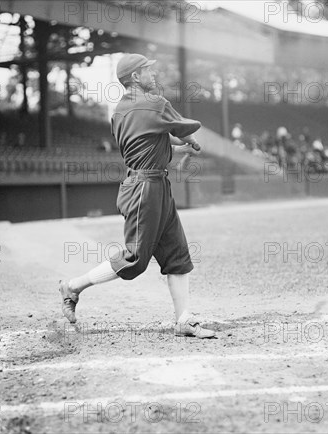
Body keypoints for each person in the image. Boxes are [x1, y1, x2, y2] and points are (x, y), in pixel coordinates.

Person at [58, 53, 215, 339]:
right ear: (134, 77)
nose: (153, 75)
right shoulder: (154, 104)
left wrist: (179, 147)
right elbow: (186, 129)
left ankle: (183, 320)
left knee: (177, 255)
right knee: (135, 259)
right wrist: (189, 139)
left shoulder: (119, 111)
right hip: (145, 189)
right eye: (147, 71)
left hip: (152, 183)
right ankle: (74, 286)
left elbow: (152, 147)